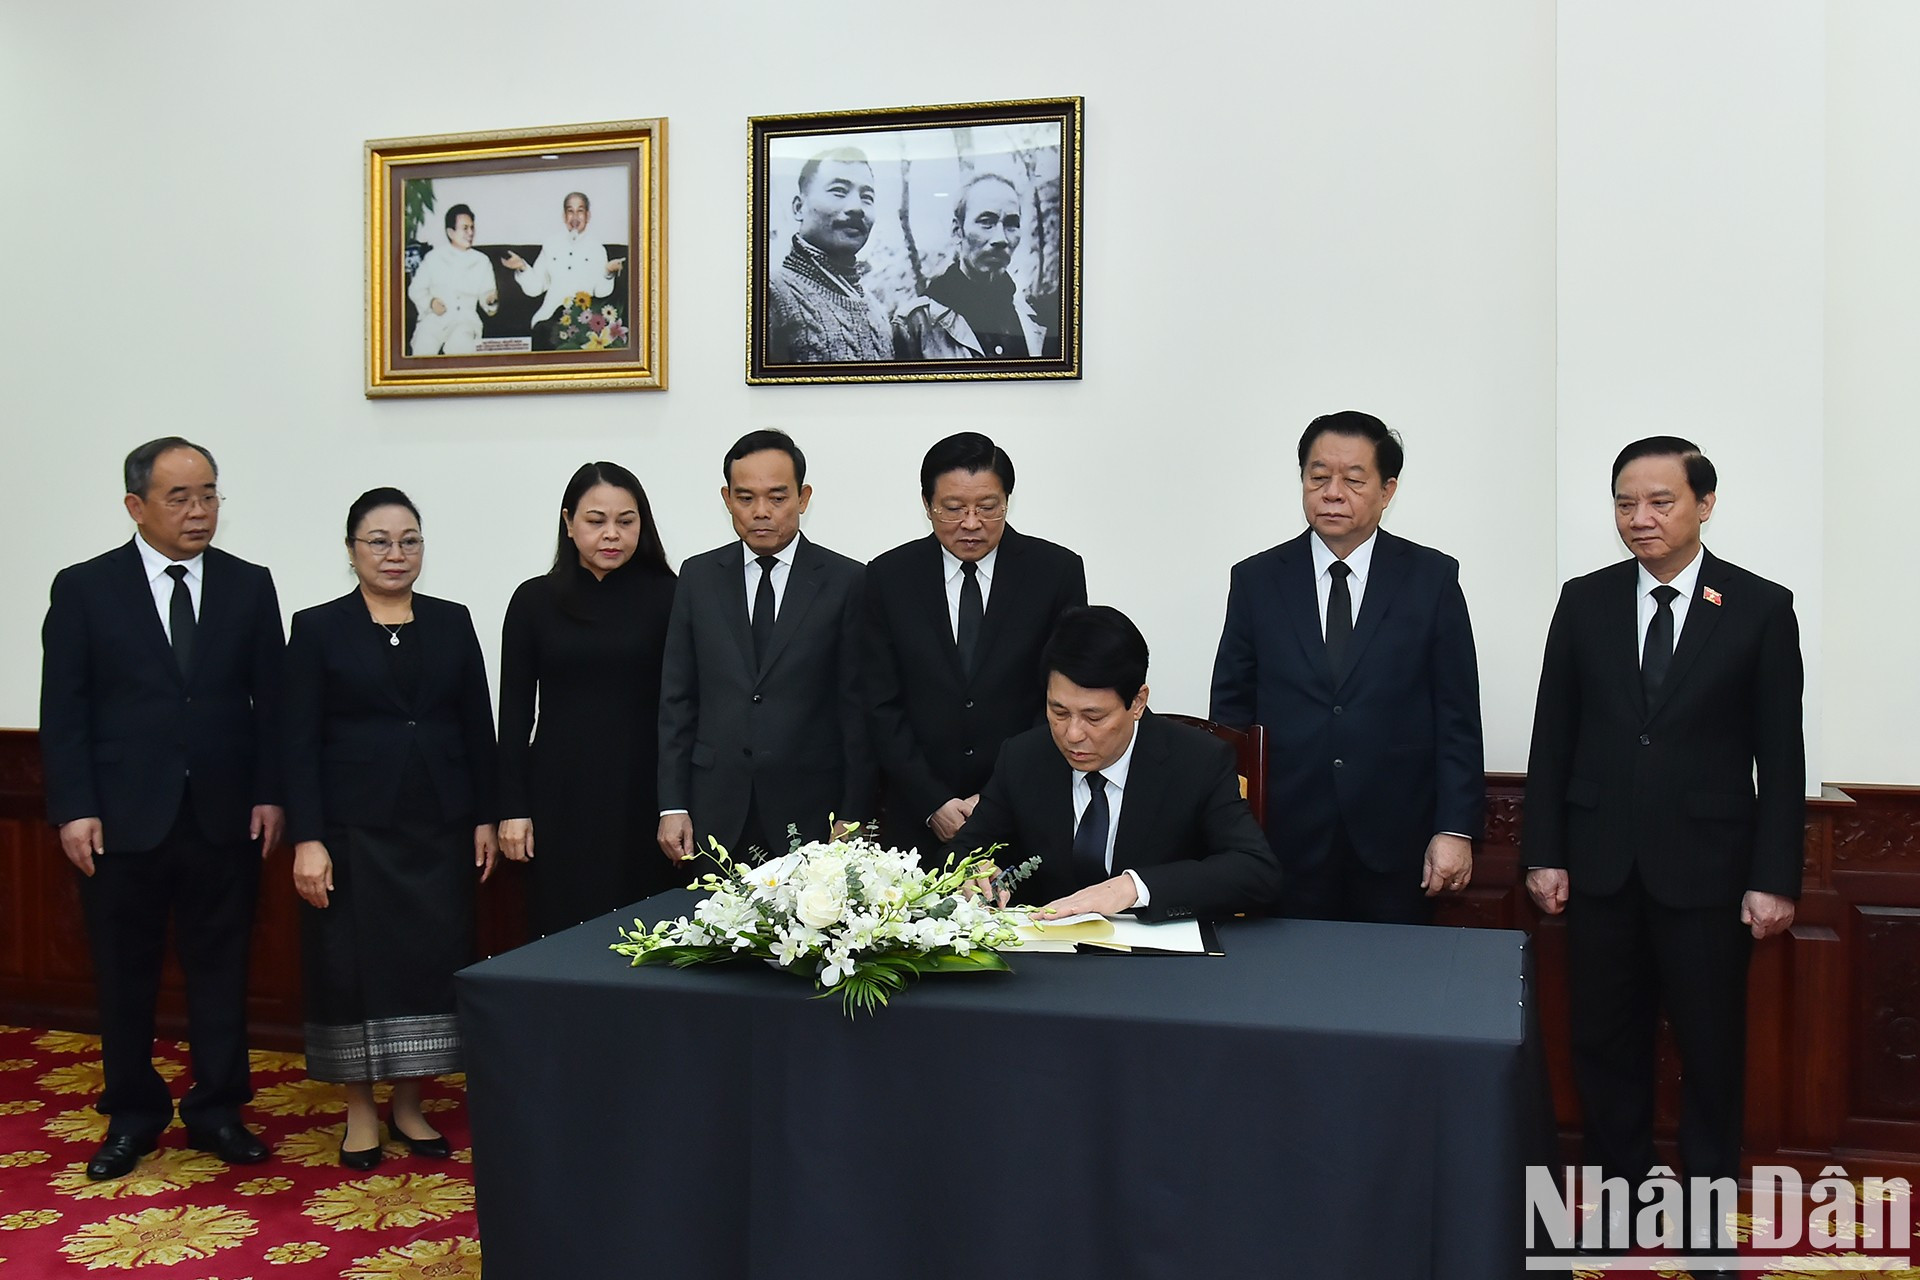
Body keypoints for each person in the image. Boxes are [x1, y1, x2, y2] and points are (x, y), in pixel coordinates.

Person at [1523, 438, 1802, 1265]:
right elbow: (1553, 738)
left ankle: (1710, 1211)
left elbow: (1781, 758)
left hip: (1712, 875)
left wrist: (1773, 877)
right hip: (1599, 867)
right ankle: (1621, 1202)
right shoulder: (1584, 601)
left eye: (1660, 502)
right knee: (1605, 1045)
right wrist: (1544, 851)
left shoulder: (1758, 606)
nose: (1639, 519)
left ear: (1704, 505)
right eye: (1624, 504)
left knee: (1712, 1049)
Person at [39, 437, 284, 1181]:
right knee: (124, 973)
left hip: (224, 815)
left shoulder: (248, 584)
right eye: (179, 497)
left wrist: (272, 792)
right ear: (135, 506)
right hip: (122, 818)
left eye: (208, 494)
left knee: (221, 967)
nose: (199, 510)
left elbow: (271, 703)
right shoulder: (85, 588)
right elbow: (65, 709)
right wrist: (73, 807)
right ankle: (134, 1114)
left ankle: (216, 1110)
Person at [283, 488, 498, 1169]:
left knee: (427, 966)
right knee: (350, 969)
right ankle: (359, 1112)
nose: (395, 553)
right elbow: (298, 743)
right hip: (352, 833)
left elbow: (476, 728)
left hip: (437, 828)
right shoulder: (318, 629)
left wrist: (486, 816)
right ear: (351, 550)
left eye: (409, 540)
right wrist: (308, 838)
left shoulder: (451, 621)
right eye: (378, 540)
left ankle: (409, 1104)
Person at [1209, 410, 1483, 924]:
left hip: (1397, 841)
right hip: (1283, 839)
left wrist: (1455, 829)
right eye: (1318, 477)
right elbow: (1231, 714)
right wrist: (1231, 829)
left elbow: (1457, 715)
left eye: (1354, 480)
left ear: (1387, 490)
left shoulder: (1432, 579)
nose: (1333, 492)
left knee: (1390, 992)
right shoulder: (1257, 580)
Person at [945, 606, 1283, 921]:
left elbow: (1255, 871)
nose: (1073, 734)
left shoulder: (1198, 761)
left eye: (1094, 716)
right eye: (1059, 712)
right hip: (1048, 962)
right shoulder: (1023, 757)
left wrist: (1133, 887)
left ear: (1137, 702)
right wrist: (972, 873)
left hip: (1158, 967)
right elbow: (962, 851)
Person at [864, 432, 1085, 859]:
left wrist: (1000, 797)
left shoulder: (1055, 572)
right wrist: (933, 801)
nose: (970, 523)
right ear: (927, 505)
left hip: (1027, 813)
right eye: (952, 509)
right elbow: (878, 702)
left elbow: (1066, 696)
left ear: (1007, 501)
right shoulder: (889, 576)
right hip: (917, 818)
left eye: (987, 508)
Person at [657, 429, 872, 864]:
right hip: (713, 808)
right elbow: (677, 699)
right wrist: (672, 804)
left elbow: (859, 708)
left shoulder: (847, 581)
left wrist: (854, 812)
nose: (761, 512)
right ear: (726, 498)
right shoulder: (697, 578)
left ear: (803, 497)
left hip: (811, 810)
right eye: (745, 498)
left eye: (777, 498)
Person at [498, 462, 678, 936]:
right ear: (568, 522)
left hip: (644, 792)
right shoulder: (533, 600)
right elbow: (514, 715)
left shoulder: (673, 597)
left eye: (626, 520)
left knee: (644, 929)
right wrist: (513, 808)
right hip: (558, 794)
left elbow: (688, 706)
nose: (611, 534)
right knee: (560, 927)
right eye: (596, 520)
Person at [895, 174, 1050, 360]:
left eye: (1011, 224)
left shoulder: (1032, 320)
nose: (1001, 238)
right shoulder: (915, 324)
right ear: (957, 231)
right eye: (986, 222)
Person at [764, 148, 895, 364]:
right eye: (838, 191)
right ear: (799, 208)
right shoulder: (770, 292)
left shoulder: (878, 310)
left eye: (867, 197)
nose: (856, 208)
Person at [502, 191, 626, 351]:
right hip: (548, 321)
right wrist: (522, 267)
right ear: (564, 216)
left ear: (587, 216)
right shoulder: (551, 244)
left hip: (582, 322)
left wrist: (608, 272)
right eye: (570, 211)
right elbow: (535, 288)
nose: (575, 217)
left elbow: (601, 292)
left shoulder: (597, 248)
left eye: (580, 211)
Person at [407, 203, 501, 356]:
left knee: (461, 352)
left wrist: (491, 300)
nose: (470, 232)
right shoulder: (434, 257)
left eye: (472, 227)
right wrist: (431, 303)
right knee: (423, 350)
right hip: (434, 319)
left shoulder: (482, 261)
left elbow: (488, 296)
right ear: (450, 232)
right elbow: (415, 289)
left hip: (465, 321)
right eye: (465, 228)